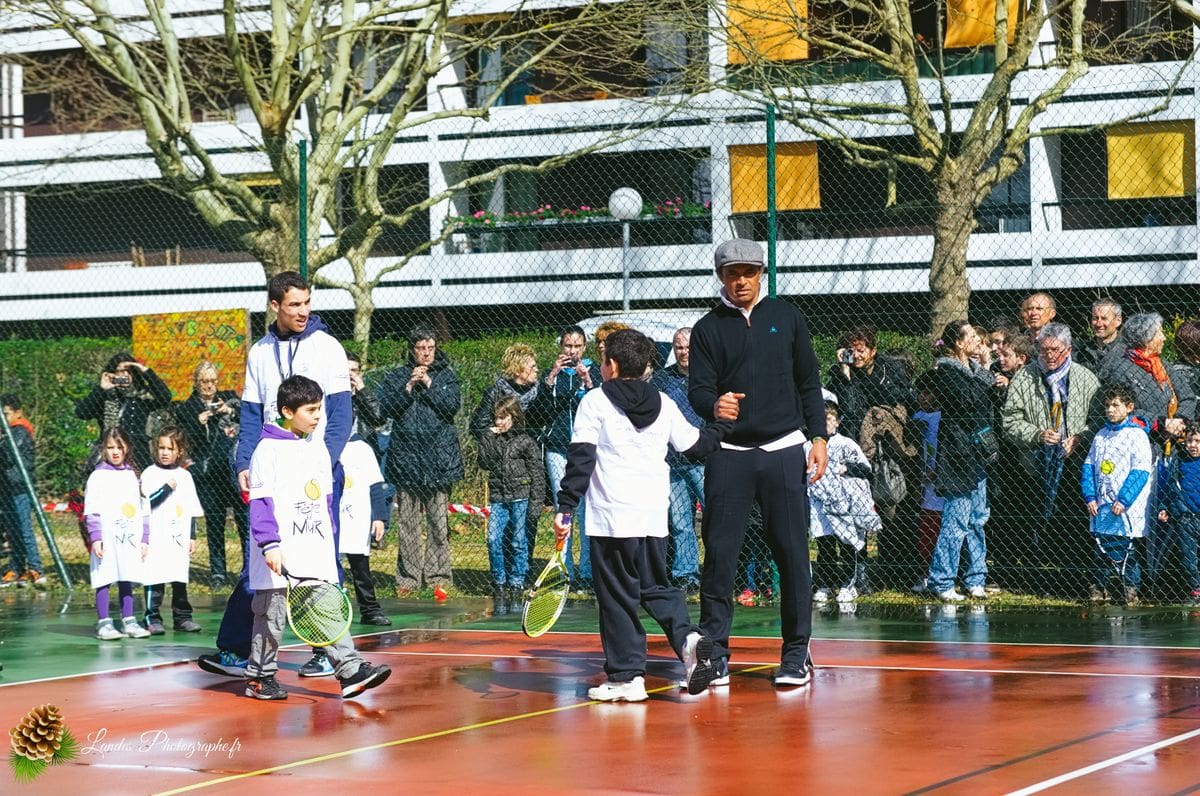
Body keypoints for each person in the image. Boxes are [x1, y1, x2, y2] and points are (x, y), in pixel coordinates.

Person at [553, 329, 725, 701]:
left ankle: (626, 677)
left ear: (610, 366)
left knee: (616, 597)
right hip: (651, 517)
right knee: (655, 587)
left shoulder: (595, 402)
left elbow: (581, 458)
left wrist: (566, 507)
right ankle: (689, 639)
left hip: (611, 519)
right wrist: (726, 425)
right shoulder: (663, 403)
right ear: (647, 365)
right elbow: (695, 445)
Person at [197, 270, 352, 679]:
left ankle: (324, 651)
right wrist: (245, 463)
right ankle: (235, 649)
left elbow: (339, 417)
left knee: (319, 562)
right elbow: (251, 418)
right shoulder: (259, 353)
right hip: (271, 471)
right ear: (275, 306)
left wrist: (320, 462)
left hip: (315, 476)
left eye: (307, 303)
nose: (303, 311)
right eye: (294, 304)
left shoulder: (328, 348)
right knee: (263, 560)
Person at [688, 238, 828, 688]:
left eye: (749, 271)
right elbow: (698, 390)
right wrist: (715, 405)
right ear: (721, 277)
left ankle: (795, 654)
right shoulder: (707, 328)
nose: (741, 280)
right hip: (728, 456)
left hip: (785, 450)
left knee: (791, 555)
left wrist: (819, 437)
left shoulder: (788, 318)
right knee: (720, 558)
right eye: (733, 273)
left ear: (760, 273)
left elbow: (809, 383)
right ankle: (715, 657)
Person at [243, 375, 391, 700]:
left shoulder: (318, 449)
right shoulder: (266, 451)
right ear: (287, 410)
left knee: (326, 611)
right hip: (278, 556)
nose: (317, 416)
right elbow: (261, 503)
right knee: (271, 618)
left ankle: (350, 671)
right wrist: (270, 545)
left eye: (319, 409)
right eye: (310, 410)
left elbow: (325, 503)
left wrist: (329, 541)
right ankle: (259, 677)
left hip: (314, 554)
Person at [999, 324, 1101, 592]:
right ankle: (1038, 579)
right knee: (1038, 523)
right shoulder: (1025, 378)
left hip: (1076, 462)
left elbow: (1099, 420)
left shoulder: (1086, 378)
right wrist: (1036, 434)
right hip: (1036, 465)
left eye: (1055, 350)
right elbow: (1009, 421)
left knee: (1074, 521)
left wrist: (1078, 438)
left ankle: (1075, 578)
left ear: (1068, 350)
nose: (1049, 355)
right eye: (1044, 350)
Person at [377, 325, 462, 595]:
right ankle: (408, 579)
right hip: (407, 459)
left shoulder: (446, 376)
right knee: (408, 524)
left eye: (430, 348)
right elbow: (386, 410)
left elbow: (451, 407)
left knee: (438, 523)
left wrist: (429, 384)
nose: (426, 353)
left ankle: (438, 577)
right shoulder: (398, 376)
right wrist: (409, 386)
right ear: (411, 350)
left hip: (439, 458)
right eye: (420, 348)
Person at [925, 321, 995, 602]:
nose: (977, 341)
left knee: (978, 518)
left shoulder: (974, 370)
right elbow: (967, 399)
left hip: (979, 453)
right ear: (958, 343)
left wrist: (986, 373)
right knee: (956, 520)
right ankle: (942, 580)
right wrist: (988, 375)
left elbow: (987, 399)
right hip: (957, 455)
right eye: (971, 337)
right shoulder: (946, 371)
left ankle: (975, 577)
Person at [175, 361, 245, 586]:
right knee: (215, 523)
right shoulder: (187, 408)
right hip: (208, 474)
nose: (210, 386)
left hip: (232, 471)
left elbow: (248, 417)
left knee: (243, 520)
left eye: (213, 381)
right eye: (204, 381)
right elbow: (185, 441)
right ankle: (217, 573)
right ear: (196, 383)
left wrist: (229, 410)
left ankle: (247, 569)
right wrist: (199, 422)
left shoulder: (228, 396)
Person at [1082, 383, 1152, 606]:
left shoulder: (1137, 436)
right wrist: (1090, 497)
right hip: (1102, 505)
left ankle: (1131, 589)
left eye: (1116, 405)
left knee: (1127, 550)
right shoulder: (1100, 436)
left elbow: (1140, 472)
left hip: (1125, 508)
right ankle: (1099, 586)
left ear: (1129, 407)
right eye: (1107, 406)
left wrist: (1123, 500)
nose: (1110, 410)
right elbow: (1089, 468)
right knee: (1100, 548)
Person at [537, 326, 596, 587]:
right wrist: (551, 376)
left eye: (577, 346)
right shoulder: (552, 375)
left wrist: (587, 380)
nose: (572, 351)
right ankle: (564, 569)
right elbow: (540, 409)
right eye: (567, 346)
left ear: (584, 347)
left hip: (585, 450)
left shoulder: (594, 370)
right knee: (565, 511)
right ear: (561, 347)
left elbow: (600, 403)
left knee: (586, 511)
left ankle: (587, 570)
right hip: (558, 448)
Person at [807, 399, 879, 603]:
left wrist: (846, 468)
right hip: (819, 504)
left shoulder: (846, 444)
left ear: (837, 422)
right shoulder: (809, 445)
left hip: (843, 505)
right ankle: (826, 584)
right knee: (825, 546)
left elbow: (866, 470)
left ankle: (848, 585)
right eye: (821, 420)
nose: (825, 423)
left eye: (829, 419)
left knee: (847, 544)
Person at [477, 395, 545, 612]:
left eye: (503, 418)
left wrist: (535, 503)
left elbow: (537, 473)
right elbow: (484, 462)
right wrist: (487, 437)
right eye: (496, 419)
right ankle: (499, 581)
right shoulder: (492, 438)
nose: (499, 423)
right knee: (493, 539)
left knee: (518, 540)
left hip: (521, 496)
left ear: (514, 417)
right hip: (499, 497)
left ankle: (516, 581)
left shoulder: (525, 441)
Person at [650, 327, 704, 591]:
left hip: (704, 460)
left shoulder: (709, 376)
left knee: (716, 520)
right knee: (681, 522)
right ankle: (686, 574)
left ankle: (720, 571)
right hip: (673, 462)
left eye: (689, 347)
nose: (684, 352)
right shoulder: (662, 380)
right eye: (679, 347)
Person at [85, 428, 151, 641]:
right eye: (110, 447)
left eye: (119, 447)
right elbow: (92, 509)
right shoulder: (97, 476)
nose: (115, 452)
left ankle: (129, 620)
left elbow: (143, 510)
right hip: (106, 540)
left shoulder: (133, 475)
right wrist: (96, 538)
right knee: (104, 577)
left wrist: (144, 539)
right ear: (103, 449)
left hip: (128, 540)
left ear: (127, 448)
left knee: (127, 576)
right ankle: (104, 623)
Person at [140, 426, 204, 634]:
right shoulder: (149, 473)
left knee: (179, 579)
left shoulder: (185, 477)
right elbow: (147, 503)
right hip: (156, 538)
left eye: (170, 448)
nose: (165, 452)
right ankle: (152, 617)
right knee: (154, 577)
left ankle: (182, 617)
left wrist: (191, 536)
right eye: (161, 448)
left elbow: (192, 508)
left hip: (177, 539)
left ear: (180, 451)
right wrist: (166, 488)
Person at [75, 352, 173, 471]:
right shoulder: (106, 396)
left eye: (128, 371)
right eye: (119, 372)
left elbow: (165, 397)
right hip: (111, 454)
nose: (124, 375)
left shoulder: (142, 396)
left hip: (139, 455)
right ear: (112, 374)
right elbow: (81, 413)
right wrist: (101, 389)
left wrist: (145, 371)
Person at [338, 433, 392, 626]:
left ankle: (370, 610)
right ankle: (330, 610)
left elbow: (376, 485)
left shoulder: (362, 449)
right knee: (329, 567)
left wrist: (379, 517)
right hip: (330, 519)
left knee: (360, 567)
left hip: (357, 520)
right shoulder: (320, 443)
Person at [0, 395, 43, 586]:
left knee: (23, 528)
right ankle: (17, 568)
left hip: (19, 488)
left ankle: (35, 568)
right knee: (12, 530)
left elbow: (9, 456)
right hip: (7, 487)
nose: (3, 416)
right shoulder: (7, 432)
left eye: (6, 413)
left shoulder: (19, 431)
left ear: (17, 413)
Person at [1156, 422, 1200, 606]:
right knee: (1187, 557)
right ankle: (1196, 589)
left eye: (1197, 441)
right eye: (1189, 441)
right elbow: (1170, 486)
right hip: (1185, 517)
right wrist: (1165, 506)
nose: (1193, 445)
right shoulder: (1180, 460)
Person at [909, 372, 943, 594]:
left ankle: (944, 574)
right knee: (927, 532)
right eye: (920, 392)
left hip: (943, 484)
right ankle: (926, 573)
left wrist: (936, 471)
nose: (923, 397)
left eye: (928, 393)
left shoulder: (945, 417)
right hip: (924, 487)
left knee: (944, 530)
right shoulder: (917, 417)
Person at [1076, 299, 1123, 376]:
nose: (1098, 323)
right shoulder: (1082, 353)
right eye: (1095, 318)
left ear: (1118, 320)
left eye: (1104, 318)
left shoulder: (1128, 351)